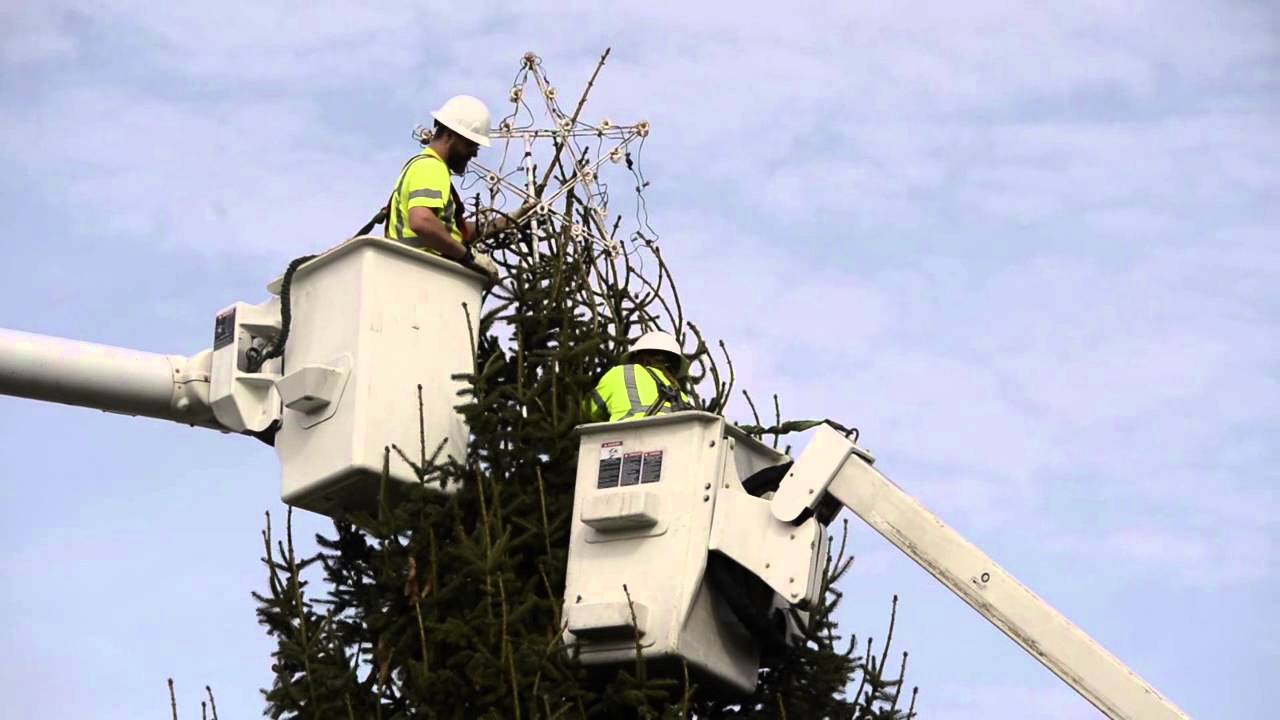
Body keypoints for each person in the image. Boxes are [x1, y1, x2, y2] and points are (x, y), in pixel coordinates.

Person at [384, 95, 517, 281]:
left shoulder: (429, 168)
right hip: (421, 272)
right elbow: (421, 221)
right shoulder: (431, 167)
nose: (475, 153)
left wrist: (507, 222)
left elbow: (455, 231)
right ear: (449, 135)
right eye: (471, 144)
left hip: (415, 272)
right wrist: (466, 256)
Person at [584, 331, 695, 423]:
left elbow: (588, 411)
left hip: (624, 440)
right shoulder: (681, 396)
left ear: (640, 357)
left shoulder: (621, 373)